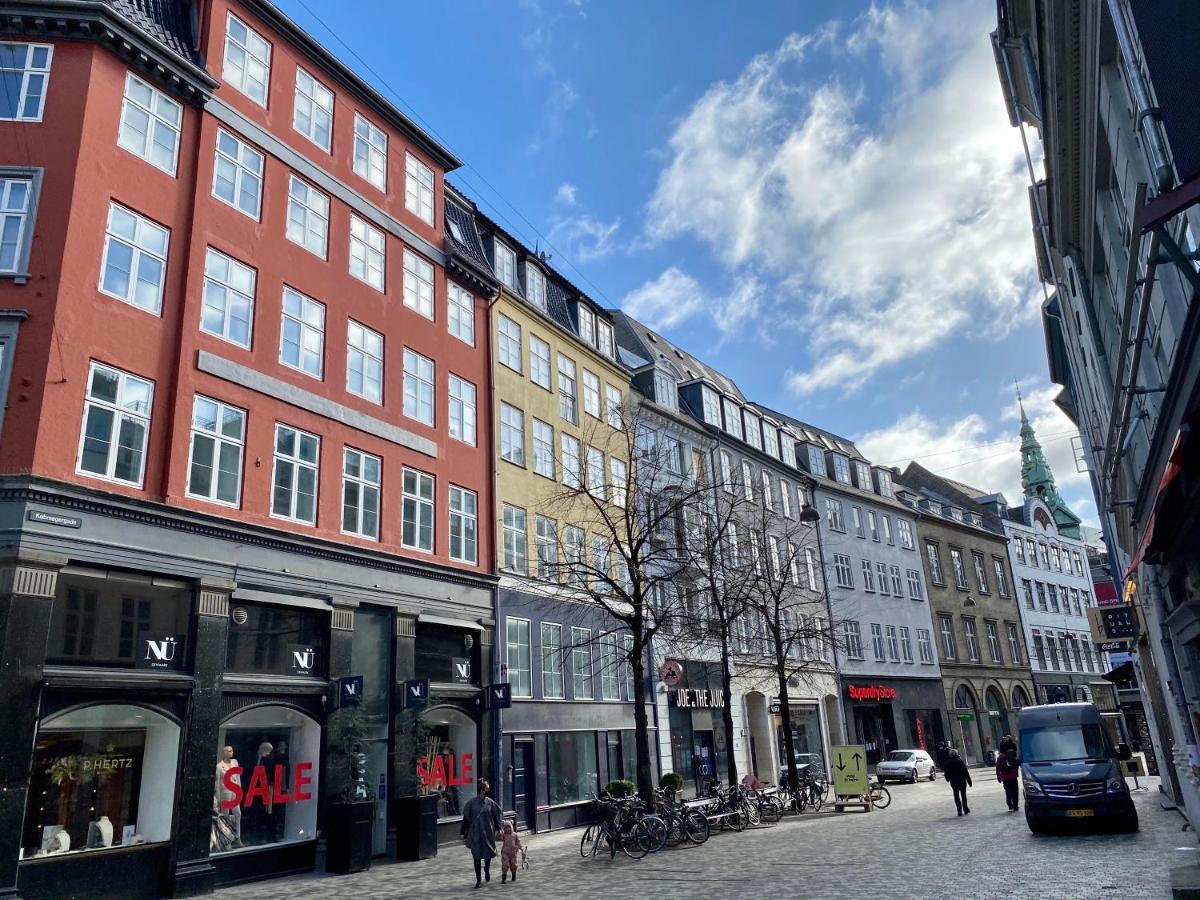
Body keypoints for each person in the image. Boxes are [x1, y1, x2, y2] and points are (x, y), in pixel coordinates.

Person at [461, 780, 502, 889]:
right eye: (487, 789)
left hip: (488, 832)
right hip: (476, 833)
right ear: (481, 790)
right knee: (477, 856)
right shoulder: (471, 803)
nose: (489, 791)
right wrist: (462, 832)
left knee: (488, 853)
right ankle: (478, 880)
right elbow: (466, 818)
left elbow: (495, 816)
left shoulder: (490, 802)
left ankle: (487, 869)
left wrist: (499, 828)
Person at [942, 748, 973, 816]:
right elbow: (966, 772)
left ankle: (959, 810)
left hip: (954, 782)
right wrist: (969, 781)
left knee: (956, 796)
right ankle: (965, 809)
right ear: (956, 754)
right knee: (963, 795)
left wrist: (947, 779)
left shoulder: (947, 763)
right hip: (962, 781)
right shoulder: (960, 761)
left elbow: (946, 773)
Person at [996, 736, 1020, 811]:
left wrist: (999, 778)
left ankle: (1009, 803)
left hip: (1005, 777)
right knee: (1015, 791)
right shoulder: (1013, 755)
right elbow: (1016, 764)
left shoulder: (1001, 757)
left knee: (1008, 791)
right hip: (1013, 776)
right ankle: (1015, 805)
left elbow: (998, 768)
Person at [499, 819, 524, 884]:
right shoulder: (504, 835)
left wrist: (521, 848)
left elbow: (518, 842)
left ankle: (513, 875)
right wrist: (500, 831)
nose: (507, 829)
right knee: (505, 865)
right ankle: (503, 878)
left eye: (509, 827)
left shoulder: (514, 835)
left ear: (511, 827)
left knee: (514, 865)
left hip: (513, 853)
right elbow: (499, 838)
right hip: (505, 853)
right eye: (506, 828)